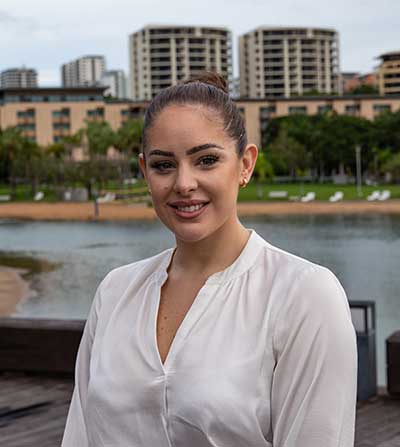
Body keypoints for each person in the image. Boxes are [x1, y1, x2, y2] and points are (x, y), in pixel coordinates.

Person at [62, 72, 357, 447]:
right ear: (144, 171)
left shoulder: (303, 294)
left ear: (245, 164)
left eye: (206, 160)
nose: (184, 183)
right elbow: (80, 435)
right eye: (164, 165)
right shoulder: (116, 291)